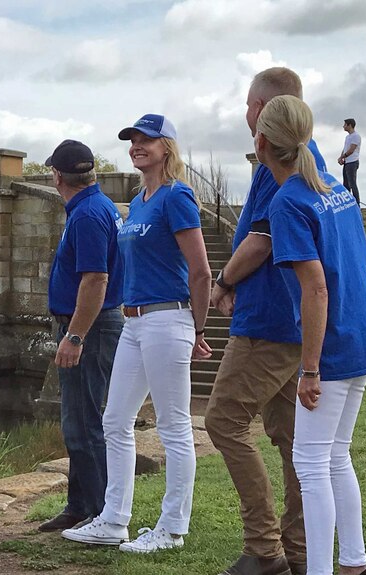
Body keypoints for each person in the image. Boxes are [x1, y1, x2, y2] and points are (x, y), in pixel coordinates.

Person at [63, 114, 211, 553]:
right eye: (133, 140)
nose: (137, 146)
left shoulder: (176, 197)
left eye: (147, 140)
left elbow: (200, 272)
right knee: (115, 421)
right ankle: (113, 520)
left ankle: (172, 528)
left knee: (173, 425)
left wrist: (197, 328)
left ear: (167, 147)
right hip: (134, 321)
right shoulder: (138, 199)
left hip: (169, 319)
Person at [259, 94, 366, 575]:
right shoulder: (335, 186)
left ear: (262, 142)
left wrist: (310, 369)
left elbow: (315, 288)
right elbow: (365, 263)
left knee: (311, 463)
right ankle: (354, 564)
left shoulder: (288, 202)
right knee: (335, 456)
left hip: (333, 351)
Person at [206, 67, 327, 575]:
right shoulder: (303, 157)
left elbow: (262, 238)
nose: (245, 113)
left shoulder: (279, 163)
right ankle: (299, 554)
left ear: (261, 110)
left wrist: (224, 282)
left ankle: (264, 547)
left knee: (224, 421)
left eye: (249, 104)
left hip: (269, 322)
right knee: (289, 439)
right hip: (287, 320)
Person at [37, 140, 124, 532]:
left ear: (57, 176)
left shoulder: (88, 214)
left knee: (84, 421)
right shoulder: (96, 206)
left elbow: (95, 279)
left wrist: (74, 336)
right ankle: (80, 505)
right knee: (78, 418)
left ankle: (99, 511)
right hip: (92, 324)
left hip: (91, 327)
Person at [338, 118, 361, 204]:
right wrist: (341, 157)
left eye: (345, 124)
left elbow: (351, 150)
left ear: (349, 125)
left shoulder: (356, 136)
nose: (343, 126)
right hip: (347, 162)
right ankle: (348, 203)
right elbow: (345, 149)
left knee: (352, 184)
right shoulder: (348, 137)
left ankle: (357, 203)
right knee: (346, 185)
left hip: (353, 162)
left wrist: (343, 157)